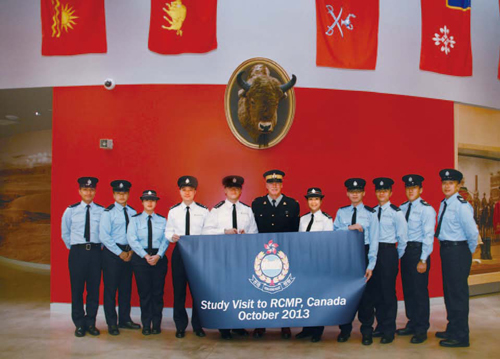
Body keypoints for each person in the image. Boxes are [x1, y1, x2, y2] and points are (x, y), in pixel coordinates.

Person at [203, 175, 258, 339]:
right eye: (230, 188)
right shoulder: (217, 210)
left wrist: (245, 234)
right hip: (223, 257)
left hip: (242, 257)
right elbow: (206, 231)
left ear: (241, 191)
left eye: (237, 188)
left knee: (240, 291)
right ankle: (224, 327)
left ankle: (238, 325)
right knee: (224, 292)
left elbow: (255, 233)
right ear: (225, 191)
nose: (234, 190)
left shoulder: (247, 210)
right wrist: (224, 231)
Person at [251, 169, 300, 339]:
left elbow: (295, 231)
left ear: (282, 185)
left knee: (285, 290)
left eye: (278, 183)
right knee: (262, 289)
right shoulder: (257, 204)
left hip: (285, 254)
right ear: (266, 185)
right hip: (262, 254)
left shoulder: (293, 204)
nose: (274, 186)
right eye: (271, 183)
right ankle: (260, 324)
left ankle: (285, 325)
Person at [435, 169, 478, 348]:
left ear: (458, 185)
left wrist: (466, 253)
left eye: (451, 183)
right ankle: (453, 327)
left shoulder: (462, 205)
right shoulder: (444, 204)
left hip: (458, 251)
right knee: (450, 292)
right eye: (444, 183)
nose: (447, 186)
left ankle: (461, 336)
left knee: (458, 294)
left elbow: (473, 233)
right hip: (447, 251)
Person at [333, 178, 379, 345]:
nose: (354, 194)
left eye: (358, 191)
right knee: (346, 295)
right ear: (347, 193)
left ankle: (367, 331)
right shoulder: (341, 212)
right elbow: (335, 233)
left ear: (363, 193)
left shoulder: (371, 214)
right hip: (346, 255)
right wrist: (349, 228)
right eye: (351, 191)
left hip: (363, 253)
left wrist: (371, 265)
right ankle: (344, 330)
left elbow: (374, 240)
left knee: (366, 296)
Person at [165, 176, 209, 338]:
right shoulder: (174, 211)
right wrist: (172, 237)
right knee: (179, 290)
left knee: (197, 291)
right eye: (184, 190)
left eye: (190, 190)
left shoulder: (204, 211)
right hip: (180, 252)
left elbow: (208, 231)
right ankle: (180, 326)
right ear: (180, 192)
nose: (187, 193)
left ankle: (198, 325)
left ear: (195, 192)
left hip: (198, 253)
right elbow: (168, 231)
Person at [61, 177, 104, 337]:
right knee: (77, 290)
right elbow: (65, 233)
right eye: (85, 189)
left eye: (91, 189)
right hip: (77, 253)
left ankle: (91, 322)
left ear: (95, 191)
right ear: (79, 191)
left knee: (93, 289)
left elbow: (104, 234)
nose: (88, 192)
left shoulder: (101, 210)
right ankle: (79, 323)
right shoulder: (70, 211)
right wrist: (75, 248)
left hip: (95, 253)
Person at [397, 175, 436, 344]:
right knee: (408, 290)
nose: (411, 190)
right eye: (408, 188)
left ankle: (421, 328)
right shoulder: (402, 208)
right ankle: (412, 322)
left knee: (419, 292)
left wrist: (423, 259)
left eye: (414, 188)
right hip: (405, 252)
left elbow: (429, 236)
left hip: (419, 251)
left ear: (421, 190)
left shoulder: (427, 209)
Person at [99, 180, 141, 335]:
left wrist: (130, 252)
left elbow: (135, 234)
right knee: (111, 290)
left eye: (124, 193)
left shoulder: (133, 212)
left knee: (126, 289)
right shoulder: (107, 213)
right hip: (112, 254)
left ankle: (125, 319)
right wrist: (120, 253)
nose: (121, 196)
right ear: (113, 195)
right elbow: (104, 236)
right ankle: (111, 323)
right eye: (118, 193)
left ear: (128, 194)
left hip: (129, 253)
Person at [371, 177, 408, 344]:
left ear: (390, 193)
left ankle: (389, 329)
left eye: (384, 191)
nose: (381, 193)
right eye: (379, 191)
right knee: (376, 291)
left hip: (388, 252)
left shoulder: (396, 212)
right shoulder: (371, 212)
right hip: (374, 253)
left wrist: (393, 256)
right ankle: (380, 325)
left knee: (388, 292)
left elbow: (403, 239)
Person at [127, 190, 169, 336]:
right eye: (146, 200)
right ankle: (146, 324)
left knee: (157, 293)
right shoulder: (135, 220)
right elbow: (132, 239)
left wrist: (158, 255)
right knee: (144, 293)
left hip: (159, 258)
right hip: (140, 259)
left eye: (152, 200)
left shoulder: (163, 220)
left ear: (156, 202)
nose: (150, 203)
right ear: (142, 202)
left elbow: (166, 239)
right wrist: (145, 255)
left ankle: (156, 324)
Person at [295, 188, 333, 343]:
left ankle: (318, 330)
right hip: (304, 262)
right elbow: (299, 241)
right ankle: (307, 328)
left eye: (316, 199)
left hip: (319, 263)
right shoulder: (303, 219)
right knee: (305, 296)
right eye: (310, 199)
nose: (313, 202)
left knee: (317, 298)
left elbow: (328, 244)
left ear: (321, 201)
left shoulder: (326, 219)